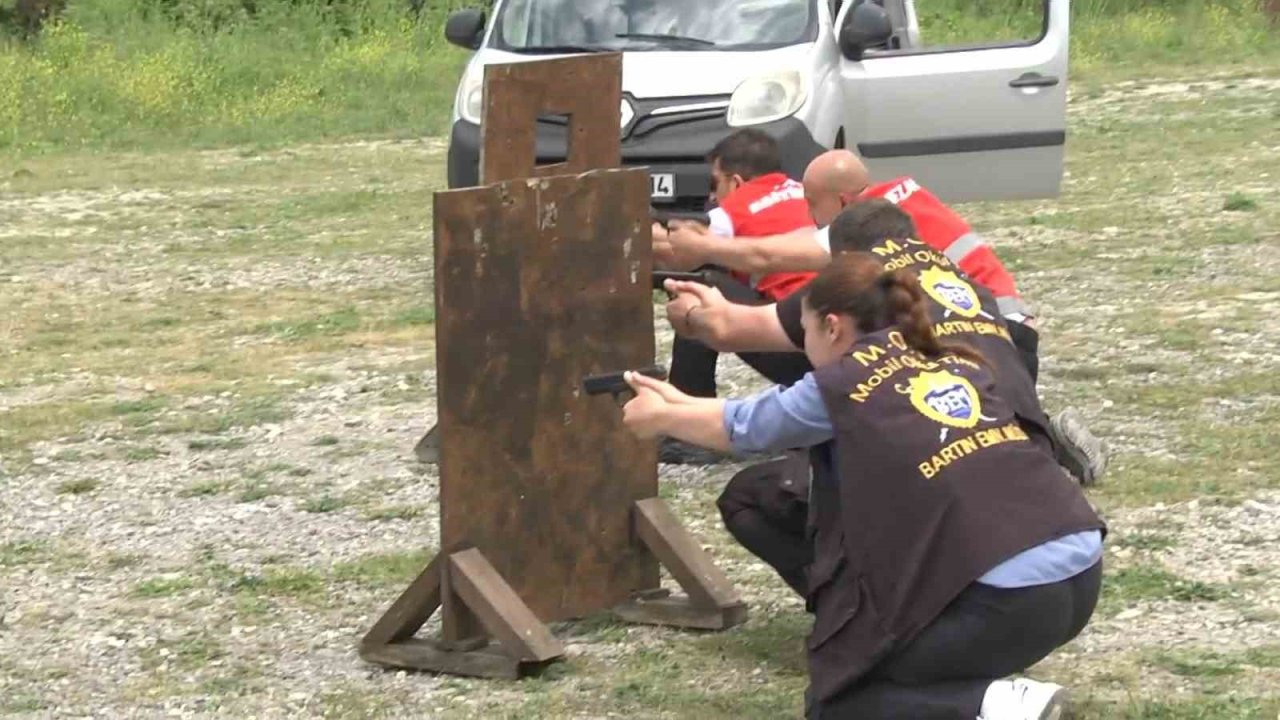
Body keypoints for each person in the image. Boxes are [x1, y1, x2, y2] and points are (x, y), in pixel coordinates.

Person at [619, 252, 1106, 720]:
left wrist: (663, 415)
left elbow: (746, 428)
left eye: (804, 330)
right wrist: (674, 403)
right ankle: (985, 684)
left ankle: (996, 704)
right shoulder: (949, 353)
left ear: (832, 327)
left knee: (845, 698)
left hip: (1006, 601)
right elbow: (744, 416)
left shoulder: (844, 382)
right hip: (1079, 573)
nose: (804, 342)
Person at [675, 199, 1101, 602]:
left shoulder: (858, 292)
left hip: (947, 480)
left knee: (753, 495)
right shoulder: (962, 281)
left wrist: (695, 311)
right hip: (1025, 469)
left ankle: (866, 612)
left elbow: (732, 331)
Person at [655, 129, 819, 464]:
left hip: (801, 347)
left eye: (715, 184)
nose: (713, 196)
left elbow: (669, 248)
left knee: (697, 291)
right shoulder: (810, 194)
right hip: (837, 340)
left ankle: (690, 434)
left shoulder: (734, 211)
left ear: (737, 182)